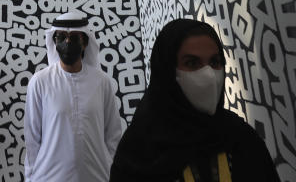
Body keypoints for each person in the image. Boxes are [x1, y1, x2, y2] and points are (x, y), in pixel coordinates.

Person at [109, 19, 280, 182]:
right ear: (167, 72)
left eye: (215, 62)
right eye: (192, 63)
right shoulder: (139, 152)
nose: (208, 74)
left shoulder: (241, 138)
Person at [24, 11, 125, 182]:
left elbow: (113, 134)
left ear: (85, 42)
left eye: (74, 37)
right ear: (54, 41)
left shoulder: (101, 82)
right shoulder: (40, 82)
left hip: (97, 176)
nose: (67, 42)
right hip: (49, 177)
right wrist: (30, 177)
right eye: (61, 37)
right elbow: (32, 139)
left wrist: (108, 166)